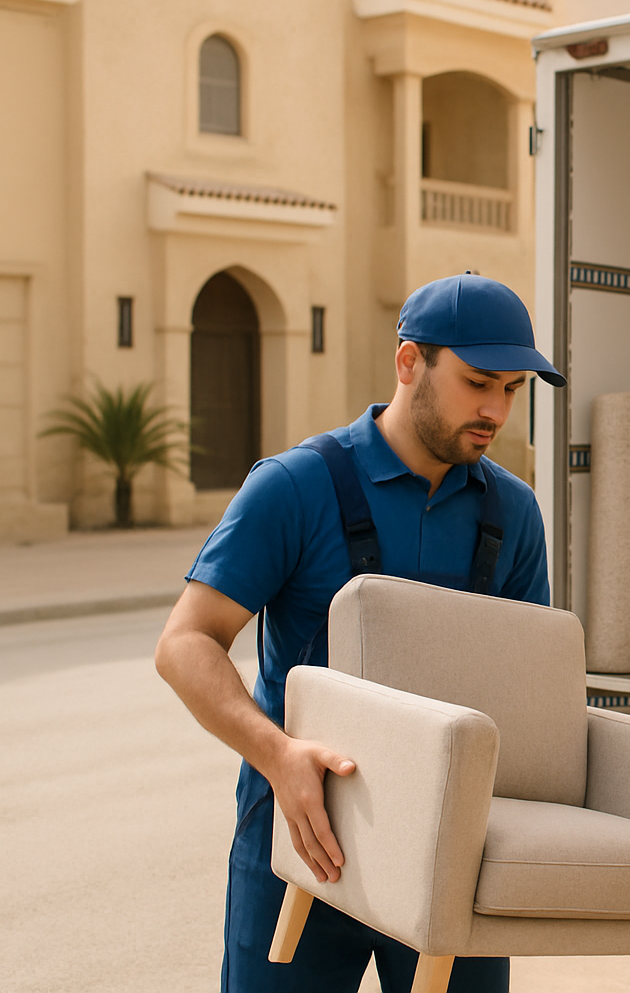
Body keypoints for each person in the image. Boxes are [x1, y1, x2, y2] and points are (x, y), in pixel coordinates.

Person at [154, 272, 565, 993]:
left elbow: (528, 694)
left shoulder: (515, 514)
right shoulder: (293, 487)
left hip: (451, 850)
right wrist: (278, 754)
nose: (496, 410)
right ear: (410, 363)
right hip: (299, 832)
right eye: (478, 383)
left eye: (512, 389)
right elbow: (185, 644)